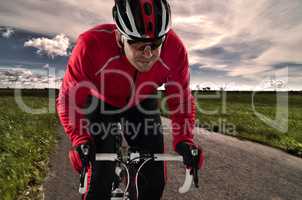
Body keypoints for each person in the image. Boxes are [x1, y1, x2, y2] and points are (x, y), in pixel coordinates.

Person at [56, 0, 205, 199]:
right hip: (100, 102)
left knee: (154, 180)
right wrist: (79, 138)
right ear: (119, 37)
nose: (148, 54)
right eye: (137, 43)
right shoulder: (90, 46)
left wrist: (184, 139)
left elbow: (181, 99)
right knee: (98, 180)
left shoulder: (175, 50)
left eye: (156, 44)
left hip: (141, 102)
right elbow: (68, 99)